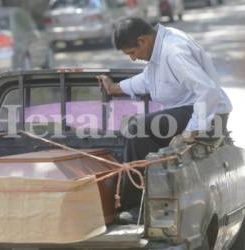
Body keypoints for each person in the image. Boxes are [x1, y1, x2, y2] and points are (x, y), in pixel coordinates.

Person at [97, 17, 232, 224]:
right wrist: (116, 88)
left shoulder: (174, 51)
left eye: (132, 53)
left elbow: (207, 92)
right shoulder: (158, 47)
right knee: (142, 139)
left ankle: (134, 207)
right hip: (190, 111)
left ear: (142, 41)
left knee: (136, 129)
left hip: (211, 116)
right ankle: (152, 202)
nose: (133, 59)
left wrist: (190, 131)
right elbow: (148, 80)